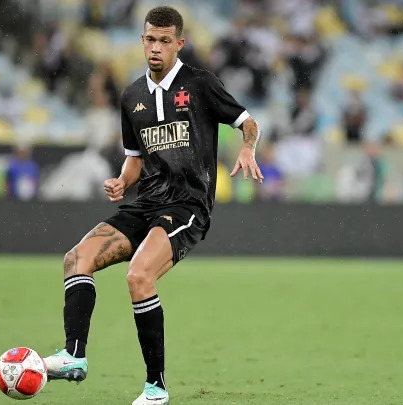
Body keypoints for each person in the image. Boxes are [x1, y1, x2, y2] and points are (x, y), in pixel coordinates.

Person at [43, 7, 263, 405]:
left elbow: (247, 121)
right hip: (145, 203)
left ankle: (155, 388)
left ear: (180, 43)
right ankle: (73, 356)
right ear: (142, 41)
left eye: (165, 40)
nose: (156, 47)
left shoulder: (200, 84)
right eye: (150, 39)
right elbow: (135, 157)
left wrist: (248, 148)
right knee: (76, 258)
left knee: (138, 275)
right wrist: (122, 181)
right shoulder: (131, 96)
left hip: (187, 207)